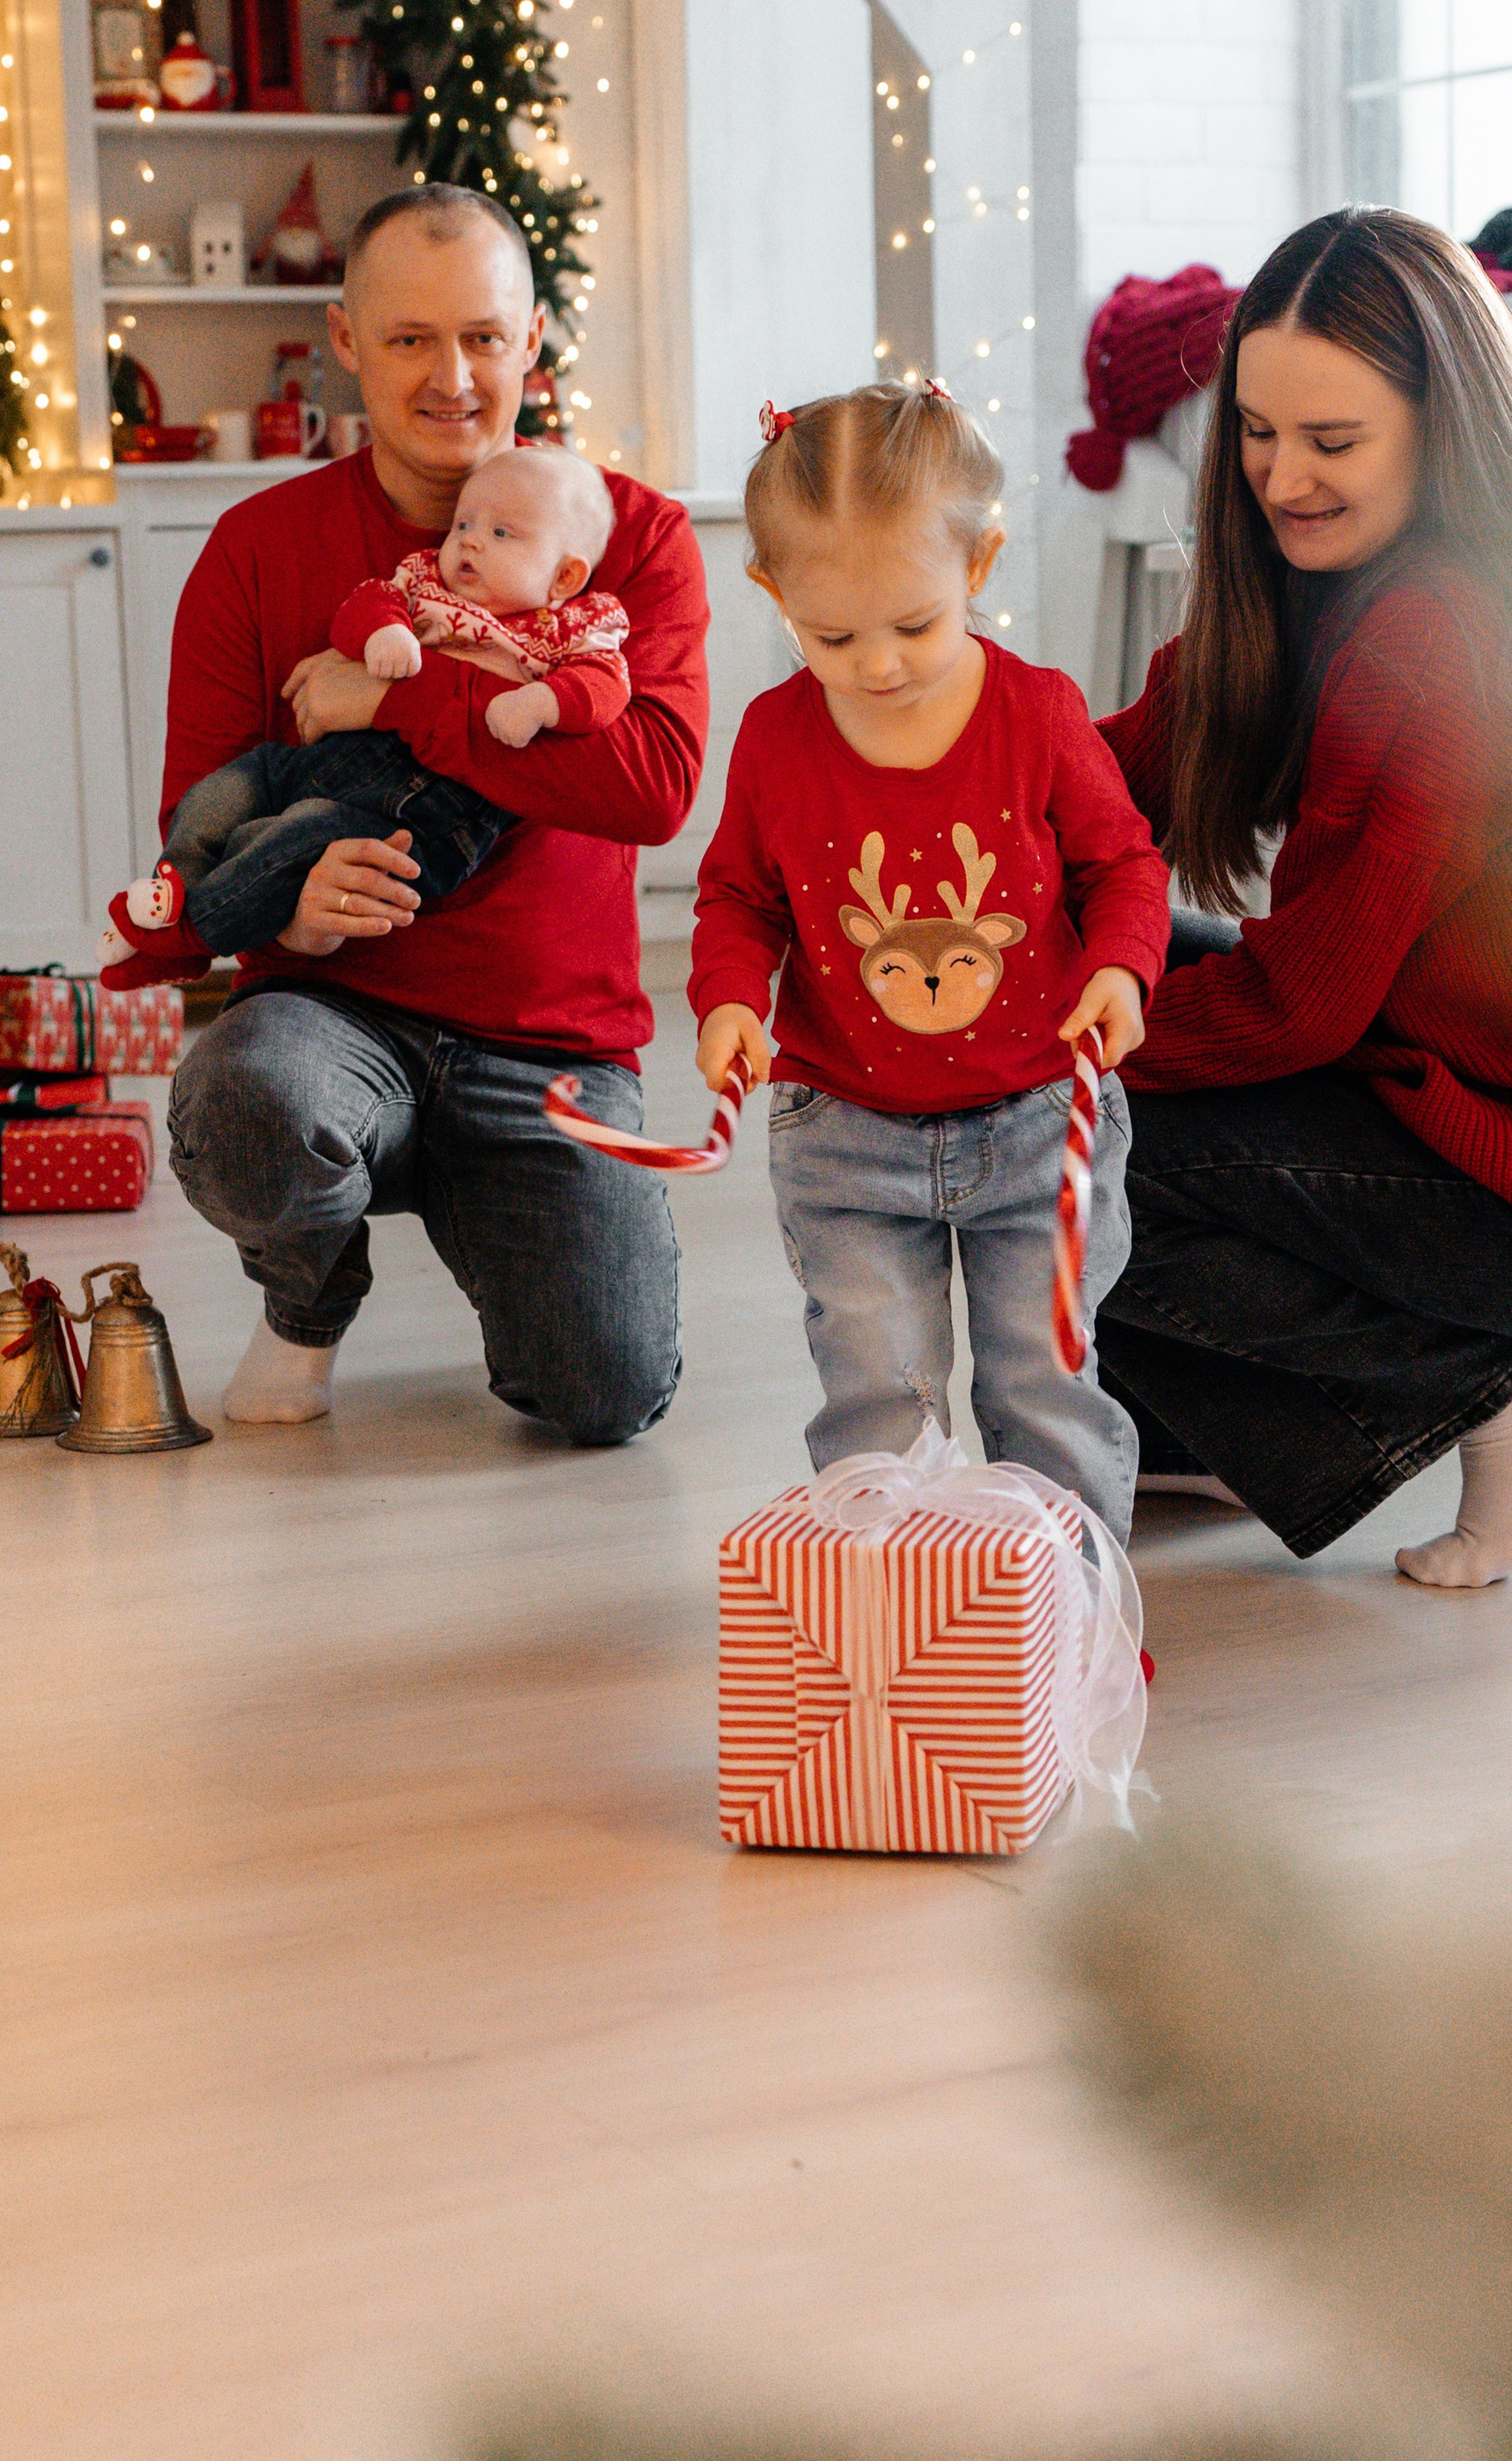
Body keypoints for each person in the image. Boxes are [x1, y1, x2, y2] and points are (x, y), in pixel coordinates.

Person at [1093, 206, 1512, 1586]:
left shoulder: (1440, 632)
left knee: (1069, 1137)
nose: (1282, 478)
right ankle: (1244, 1421)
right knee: (1117, 972)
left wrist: (1028, 1036)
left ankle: (1500, 1379)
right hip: (1476, 1088)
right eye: (1259, 433)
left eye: (1332, 442)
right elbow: (1108, 786)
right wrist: (939, 784)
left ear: (1444, 423)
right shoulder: (1315, 585)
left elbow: (1302, 1002)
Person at [164, 185, 710, 1437]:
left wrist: (390, 704)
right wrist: (288, 919)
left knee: (605, 1396)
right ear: (347, 342)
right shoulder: (257, 546)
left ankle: (507, 1207)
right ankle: (307, 1292)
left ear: (532, 341)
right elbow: (191, 825)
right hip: (333, 1018)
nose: (452, 376)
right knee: (249, 1104)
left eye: (482, 336)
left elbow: (650, 788)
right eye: (410, 339)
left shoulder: (632, 539)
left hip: (553, 1045)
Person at [691, 383, 1172, 1547]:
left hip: (1035, 1123)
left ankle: (1070, 1616)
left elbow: (1126, 868)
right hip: (845, 1134)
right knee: (876, 1399)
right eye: (833, 635)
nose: (879, 666)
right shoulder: (772, 737)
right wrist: (725, 1001)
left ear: (981, 562)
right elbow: (739, 898)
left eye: (913, 624)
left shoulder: (1040, 716)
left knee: (1041, 1390)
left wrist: (1121, 971)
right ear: (773, 596)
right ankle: (895, 1631)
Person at [100, 441, 626, 974]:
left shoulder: (566, 632)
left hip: (423, 815)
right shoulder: (427, 582)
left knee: (295, 834)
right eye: (463, 524)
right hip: (335, 759)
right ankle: (171, 889)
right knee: (234, 786)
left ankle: (184, 940)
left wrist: (544, 702)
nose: (470, 542)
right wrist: (385, 632)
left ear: (565, 577)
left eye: (500, 534)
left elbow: (604, 688)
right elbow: (367, 604)